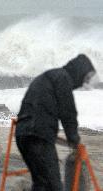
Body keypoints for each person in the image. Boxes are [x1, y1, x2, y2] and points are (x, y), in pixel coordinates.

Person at [15, 54, 96, 191]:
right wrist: (73, 139)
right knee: (54, 186)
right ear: (79, 71)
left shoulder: (50, 76)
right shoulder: (63, 78)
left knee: (41, 184)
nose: (84, 83)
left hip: (22, 134)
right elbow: (68, 112)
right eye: (86, 78)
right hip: (38, 136)